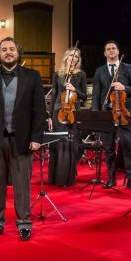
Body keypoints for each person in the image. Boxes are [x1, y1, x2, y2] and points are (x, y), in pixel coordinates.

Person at [0, 37, 46, 241]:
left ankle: (24, 223)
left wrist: (37, 137)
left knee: (22, 185)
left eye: (11, 49)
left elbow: (39, 111)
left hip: (22, 140)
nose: (8, 52)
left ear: (18, 53)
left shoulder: (33, 76)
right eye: (4, 49)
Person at [90, 40, 131, 191]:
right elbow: (96, 94)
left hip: (125, 113)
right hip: (107, 113)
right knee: (108, 148)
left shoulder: (128, 68)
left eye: (114, 48)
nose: (111, 51)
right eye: (108, 49)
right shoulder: (99, 71)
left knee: (128, 147)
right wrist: (96, 115)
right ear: (105, 53)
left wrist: (123, 87)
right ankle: (111, 179)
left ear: (118, 51)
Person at [47, 46, 87, 186]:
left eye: (76, 56)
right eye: (71, 55)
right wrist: (50, 116)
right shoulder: (58, 74)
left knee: (70, 144)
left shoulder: (81, 75)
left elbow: (84, 96)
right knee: (58, 143)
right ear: (66, 57)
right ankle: (55, 178)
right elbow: (54, 96)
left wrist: (74, 89)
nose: (73, 58)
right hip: (58, 111)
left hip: (72, 112)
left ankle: (67, 178)